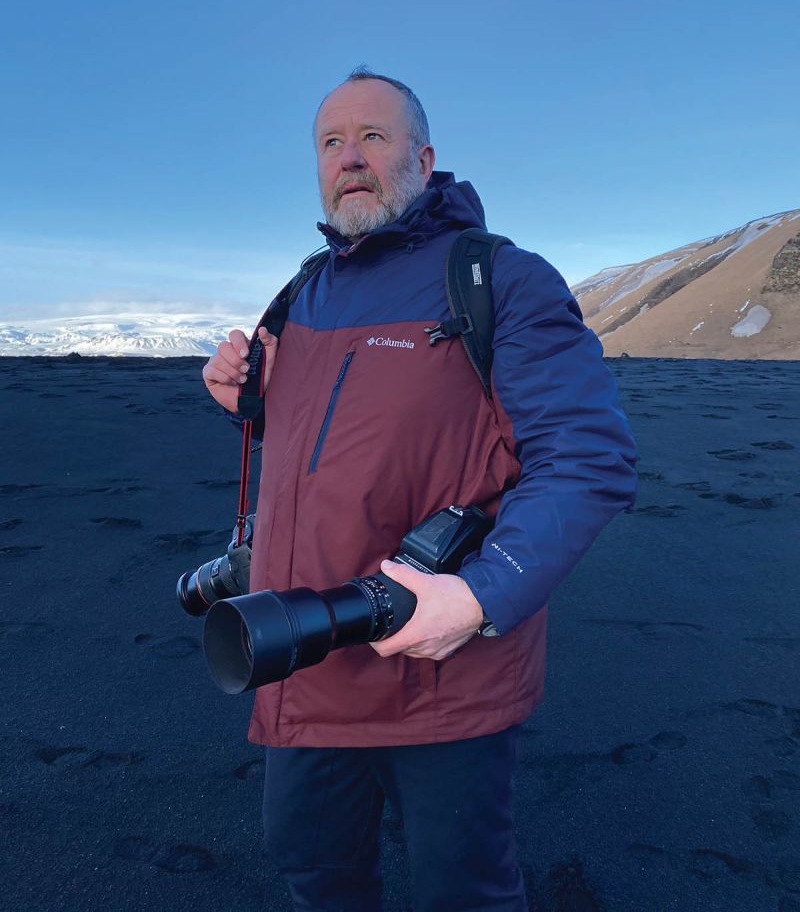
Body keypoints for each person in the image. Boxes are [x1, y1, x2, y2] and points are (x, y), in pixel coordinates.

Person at [202, 68, 638, 912]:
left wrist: (479, 597)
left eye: (373, 136)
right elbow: (321, 443)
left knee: (462, 890)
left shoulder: (499, 279)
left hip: (442, 673)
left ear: (425, 157)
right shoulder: (301, 293)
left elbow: (589, 455)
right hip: (303, 652)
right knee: (314, 873)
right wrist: (246, 402)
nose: (349, 158)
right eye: (331, 142)